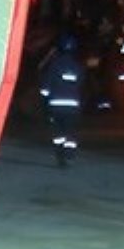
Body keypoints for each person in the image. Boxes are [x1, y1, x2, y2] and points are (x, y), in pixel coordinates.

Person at [40, 33, 85, 166]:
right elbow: (81, 85)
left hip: (56, 105)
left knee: (58, 132)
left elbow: (46, 87)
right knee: (70, 131)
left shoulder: (54, 65)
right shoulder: (77, 67)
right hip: (72, 106)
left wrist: (44, 99)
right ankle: (69, 155)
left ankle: (60, 155)